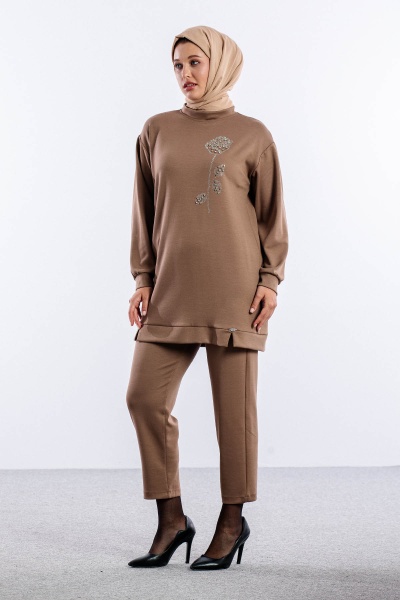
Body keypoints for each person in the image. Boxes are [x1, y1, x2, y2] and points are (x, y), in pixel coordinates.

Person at [125, 25, 289, 571]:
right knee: (143, 399)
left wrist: (270, 280)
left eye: (195, 62)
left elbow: (272, 218)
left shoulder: (253, 135)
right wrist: (142, 278)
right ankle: (172, 519)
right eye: (177, 65)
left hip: (236, 294)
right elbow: (144, 211)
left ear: (219, 63)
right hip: (170, 291)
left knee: (233, 418)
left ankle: (232, 521)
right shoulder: (156, 130)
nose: (185, 74)